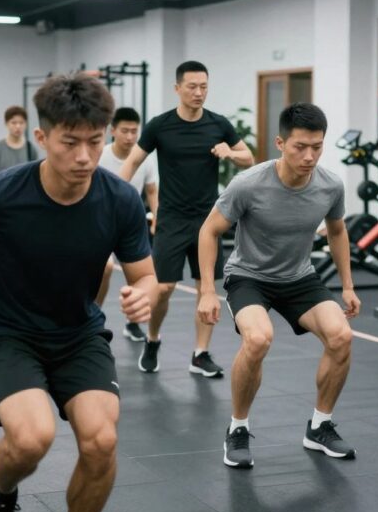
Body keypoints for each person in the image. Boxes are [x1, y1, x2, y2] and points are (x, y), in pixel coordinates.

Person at [0, 74, 157, 512]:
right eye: (70, 142)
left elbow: (145, 275)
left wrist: (142, 297)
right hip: (8, 332)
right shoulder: (0, 193)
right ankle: (1, 491)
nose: (84, 156)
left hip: (78, 333)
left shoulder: (120, 200)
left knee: (101, 442)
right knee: (31, 440)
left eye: (94, 141)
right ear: (42, 137)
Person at [197, 102, 360, 469]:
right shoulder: (248, 184)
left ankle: (320, 426)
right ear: (280, 143)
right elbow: (209, 230)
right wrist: (207, 289)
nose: (309, 155)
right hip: (249, 276)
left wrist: (348, 286)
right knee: (257, 339)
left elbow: (337, 231)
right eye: (300, 146)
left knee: (341, 337)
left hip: (299, 276)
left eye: (317, 146)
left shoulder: (330, 185)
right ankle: (237, 428)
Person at [120, 61, 254, 376]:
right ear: (177, 88)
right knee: (164, 287)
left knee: (205, 287)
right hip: (171, 218)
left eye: (203, 86)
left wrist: (230, 153)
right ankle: (152, 340)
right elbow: (132, 162)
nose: (198, 93)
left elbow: (249, 158)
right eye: (192, 86)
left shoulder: (219, 124)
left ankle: (200, 354)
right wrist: (112, 195)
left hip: (209, 220)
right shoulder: (160, 125)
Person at [97, 107, 158, 342]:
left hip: (131, 225)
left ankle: (133, 323)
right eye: (125, 131)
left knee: (141, 277)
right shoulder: (100, 156)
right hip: (100, 222)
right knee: (105, 269)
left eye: (135, 131)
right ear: (113, 131)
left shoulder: (145, 159)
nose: (130, 136)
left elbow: (152, 191)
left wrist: (157, 217)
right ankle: (94, 316)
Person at [0, 106, 38, 179]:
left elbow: (35, 174)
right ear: (6, 123)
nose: (18, 126)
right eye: (14, 123)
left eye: (21, 122)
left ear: (26, 124)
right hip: (1, 189)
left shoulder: (30, 148)